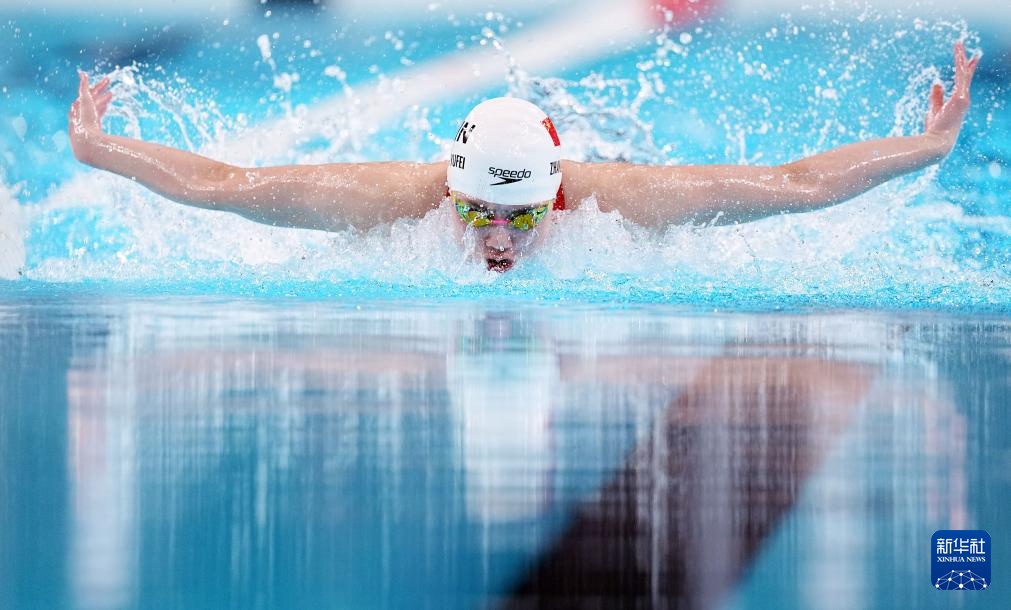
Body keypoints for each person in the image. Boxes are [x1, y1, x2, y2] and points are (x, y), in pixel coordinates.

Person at [70, 43, 980, 273]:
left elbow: (794, 185)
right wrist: (99, 150)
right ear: (449, 190)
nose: (498, 240)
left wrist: (927, 146)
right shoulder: (392, 199)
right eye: (477, 212)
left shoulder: (617, 202)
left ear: (555, 196)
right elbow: (225, 186)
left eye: (519, 216)